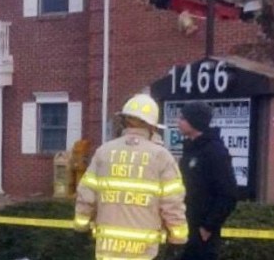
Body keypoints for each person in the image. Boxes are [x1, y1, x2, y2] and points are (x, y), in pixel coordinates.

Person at [74, 94, 188, 260]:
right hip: (145, 252)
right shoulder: (161, 156)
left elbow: (86, 197)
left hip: (107, 250)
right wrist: (178, 240)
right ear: (152, 126)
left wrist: (80, 229)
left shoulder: (104, 152)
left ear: (123, 121)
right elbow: (173, 204)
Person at [177, 102, 238, 260]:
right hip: (185, 228)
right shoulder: (190, 150)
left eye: (183, 118)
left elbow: (228, 194)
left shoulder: (215, 152)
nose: (178, 121)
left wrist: (207, 227)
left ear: (195, 121)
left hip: (202, 236)